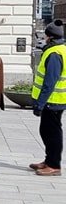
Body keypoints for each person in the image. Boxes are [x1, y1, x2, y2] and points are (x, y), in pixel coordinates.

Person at [30, 21, 66, 177]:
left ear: (50, 37)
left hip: (53, 100)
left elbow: (49, 82)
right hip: (54, 100)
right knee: (47, 131)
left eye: (45, 35)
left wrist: (40, 103)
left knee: (51, 133)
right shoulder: (59, 50)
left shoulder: (54, 54)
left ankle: (54, 165)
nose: (43, 38)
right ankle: (49, 159)